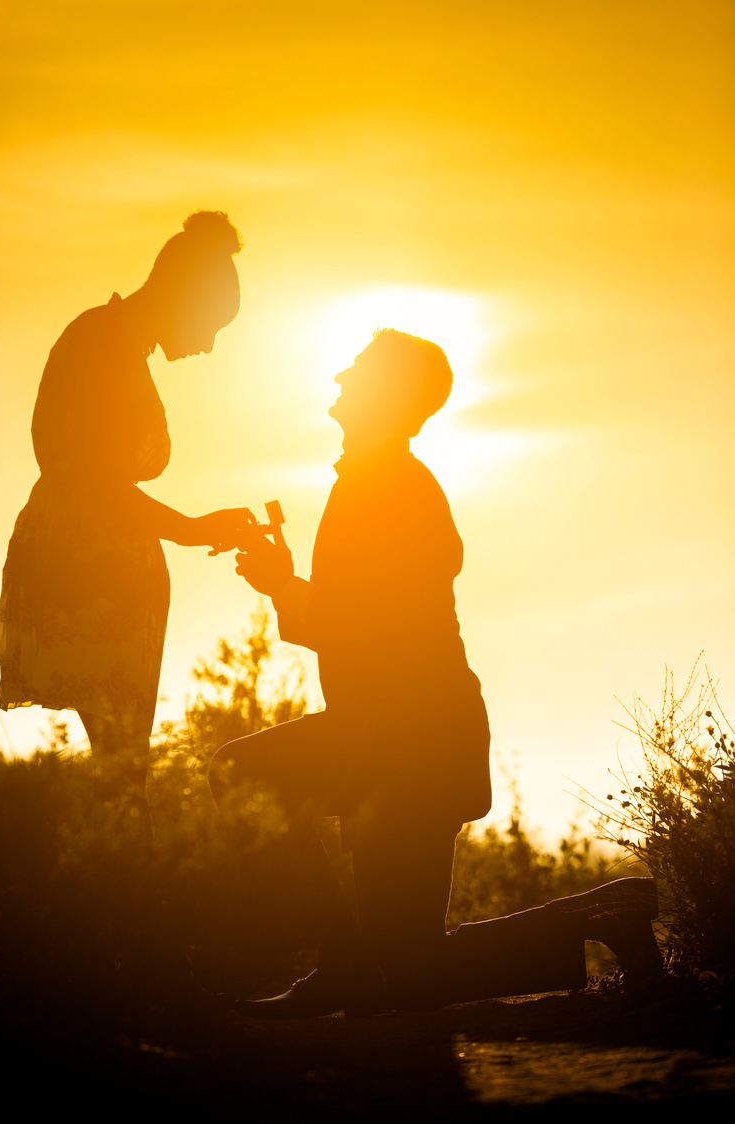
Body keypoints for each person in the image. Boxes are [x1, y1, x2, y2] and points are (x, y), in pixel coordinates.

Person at [209, 329, 662, 1016]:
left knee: (242, 776)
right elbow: (353, 615)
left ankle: (594, 917)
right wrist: (285, 585)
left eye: (357, 370)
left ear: (387, 396)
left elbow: (364, 619)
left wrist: (282, 583)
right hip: (391, 739)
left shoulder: (390, 488)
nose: (337, 376)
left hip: (410, 744)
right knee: (407, 967)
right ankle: (355, 967)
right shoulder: (375, 481)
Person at [0, 211, 255, 815]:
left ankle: (113, 876)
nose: (209, 344)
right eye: (210, 323)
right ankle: (112, 885)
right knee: (118, 768)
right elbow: (90, 477)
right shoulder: (101, 343)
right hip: (85, 568)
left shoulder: (116, 346)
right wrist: (190, 529)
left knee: (118, 762)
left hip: (104, 564)